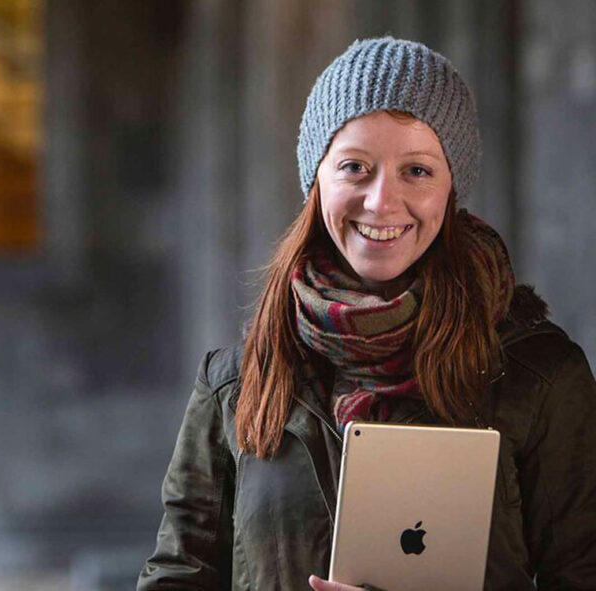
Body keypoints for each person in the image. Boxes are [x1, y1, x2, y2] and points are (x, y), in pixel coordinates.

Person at [137, 36, 596, 590]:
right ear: (317, 181)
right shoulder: (235, 382)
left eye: (417, 171)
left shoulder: (540, 375)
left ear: (452, 187)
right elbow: (178, 575)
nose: (381, 202)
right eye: (355, 166)